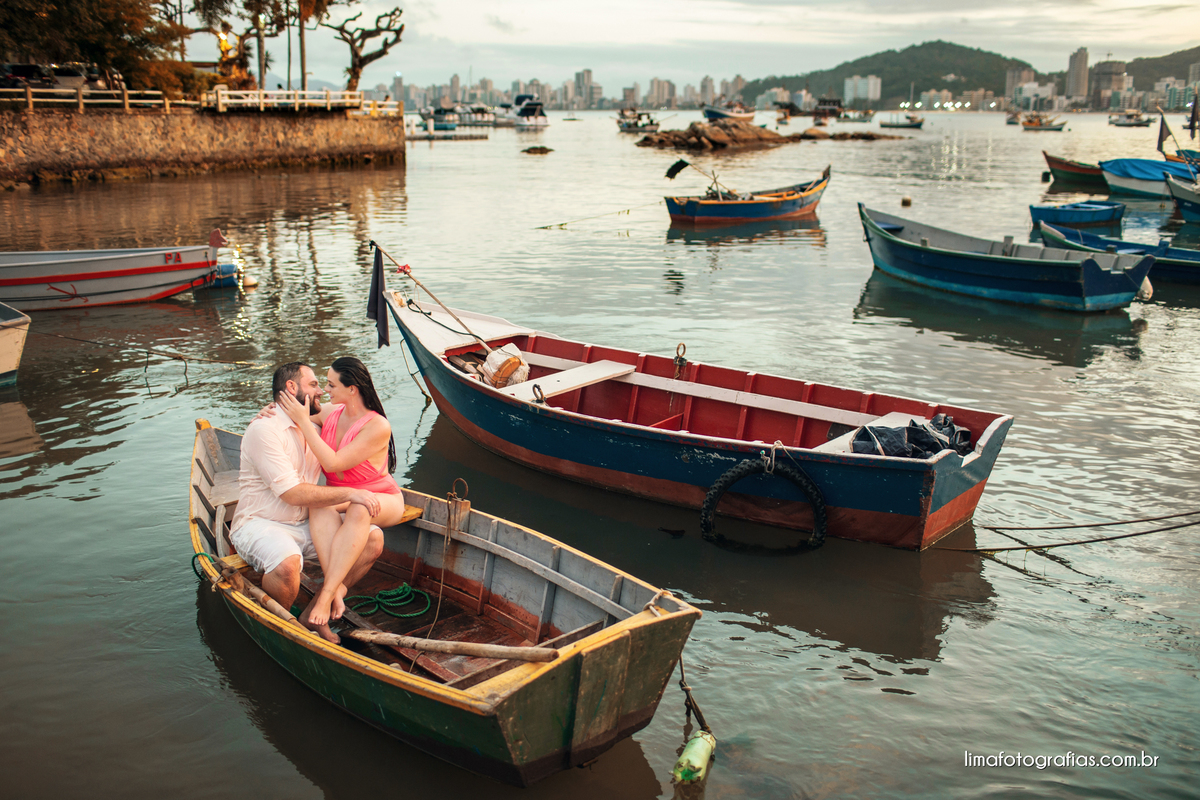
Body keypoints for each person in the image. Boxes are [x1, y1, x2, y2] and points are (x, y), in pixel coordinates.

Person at [231, 362, 384, 644]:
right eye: (314, 385)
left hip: (306, 522)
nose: (321, 392)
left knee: (373, 539)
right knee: (288, 564)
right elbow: (291, 493)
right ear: (292, 388)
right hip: (261, 524)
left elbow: (357, 411)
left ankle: (315, 611)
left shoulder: (315, 420)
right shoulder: (265, 430)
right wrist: (350, 494)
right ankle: (282, 623)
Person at [276, 356, 412, 634]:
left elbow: (333, 464)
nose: (325, 390)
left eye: (331, 385)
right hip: (346, 494)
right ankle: (336, 590)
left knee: (360, 509)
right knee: (320, 504)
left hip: (381, 497)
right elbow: (289, 411)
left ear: (352, 389)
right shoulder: (330, 412)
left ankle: (326, 597)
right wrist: (271, 410)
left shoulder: (377, 426)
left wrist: (303, 421)